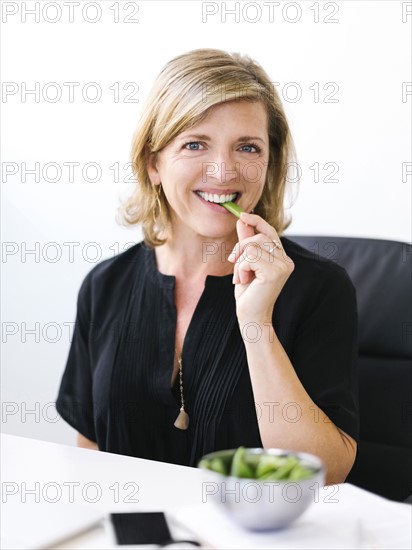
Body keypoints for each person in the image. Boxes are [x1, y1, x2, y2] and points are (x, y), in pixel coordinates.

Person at [56, 48, 359, 485]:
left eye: (247, 147)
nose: (223, 170)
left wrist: (257, 324)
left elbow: (325, 473)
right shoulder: (105, 285)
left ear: (268, 163)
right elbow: (91, 453)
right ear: (153, 162)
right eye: (195, 144)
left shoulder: (320, 288)